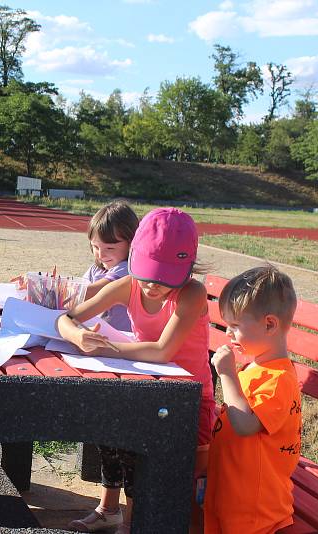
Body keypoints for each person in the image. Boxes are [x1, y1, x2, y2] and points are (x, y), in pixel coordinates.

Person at [59, 207, 216, 534]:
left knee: (189, 482)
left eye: (164, 278)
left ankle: (138, 522)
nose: (153, 286)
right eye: (148, 274)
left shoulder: (192, 293)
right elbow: (69, 317)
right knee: (112, 435)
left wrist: (106, 347)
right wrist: (78, 335)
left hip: (191, 399)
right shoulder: (128, 285)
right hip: (145, 387)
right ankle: (112, 512)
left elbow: (162, 350)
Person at [204, 266, 301, 534]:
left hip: (254, 507)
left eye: (235, 325)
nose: (228, 333)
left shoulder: (278, 379)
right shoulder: (254, 369)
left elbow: (246, 426)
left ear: (270, 324)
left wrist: (226, 374)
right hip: (233, 495)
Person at [81, 200, 139, 332]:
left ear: (131, 243)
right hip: (100, 335)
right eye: (95, 246)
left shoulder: (128, 269)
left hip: (122, 339)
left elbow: (91, 292)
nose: (101, 255)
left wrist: (54, 288)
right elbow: (79, 293)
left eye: (110, 248)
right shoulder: (95, 269)